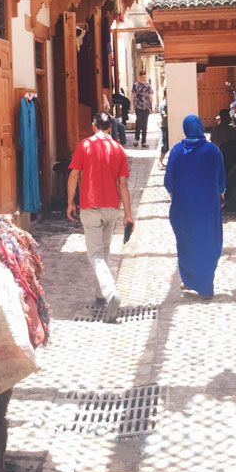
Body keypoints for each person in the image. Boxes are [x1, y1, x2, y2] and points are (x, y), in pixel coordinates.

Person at [66, 112, 134, 323]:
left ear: (94, 126)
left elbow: (74, 175)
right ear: (111, 128)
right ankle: (99, 294)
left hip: (91, 206)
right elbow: (123, 184)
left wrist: (70, 202)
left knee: (95, 254)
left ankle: (110, 291)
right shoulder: (118, 149)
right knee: (104, 250)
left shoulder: (85, 145)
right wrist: (128, 215)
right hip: (112, 207)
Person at [165, 115, 226, 298]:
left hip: (184, 207)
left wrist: (175, 195)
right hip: (208, 206)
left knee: (187, 242)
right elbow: (221, 179)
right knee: (209, 241)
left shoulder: (176, 151)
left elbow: (169, 181)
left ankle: (190, 280)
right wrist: (220, 194)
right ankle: (205, 281)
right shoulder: (213, 151)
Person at [131, 70, 153, 147]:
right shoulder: (136, 85)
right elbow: (132, 96)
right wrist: (131, 107)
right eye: (143, 77)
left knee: (145, 124)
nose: (144, 78)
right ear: (140, 77)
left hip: (146, 107)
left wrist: (152, 106)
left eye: (145, 77)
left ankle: (144, 141)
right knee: (138, 123)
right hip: (138, 106)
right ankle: (136, 139)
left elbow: (150, 96)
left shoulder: (148, 86)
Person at [158, 91, 169, 170]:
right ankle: (160, 161)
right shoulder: (163, 104)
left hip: (168, 126)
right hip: (165, 126)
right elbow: (163, 116)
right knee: (164, 145)